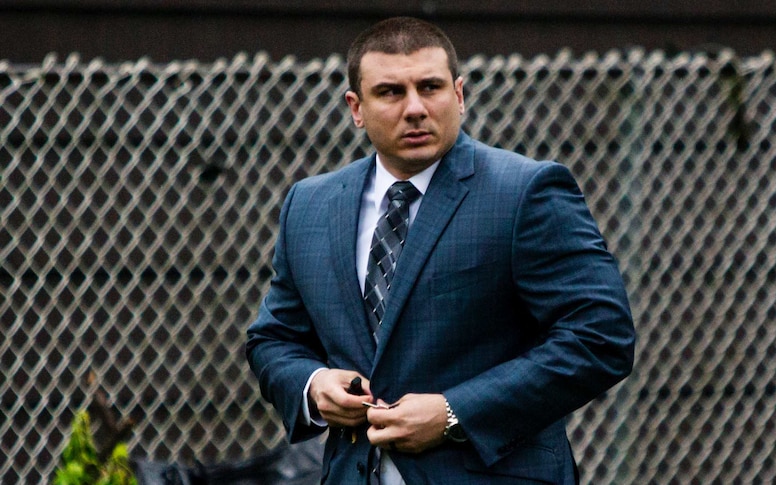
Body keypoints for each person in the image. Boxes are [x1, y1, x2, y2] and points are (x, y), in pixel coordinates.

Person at [246, 16, 635, 484]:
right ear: (356, 107)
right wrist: (313, 386)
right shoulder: (308, 205)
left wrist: (455, 414)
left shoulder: (524, 192)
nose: (415, 108)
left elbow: (600, 335)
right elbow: (274, 340)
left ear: (459, 94)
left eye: (430, 87)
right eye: (391, 92)